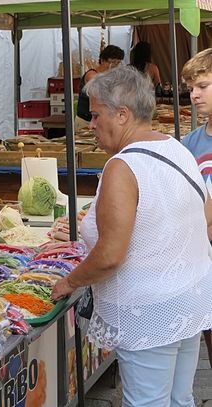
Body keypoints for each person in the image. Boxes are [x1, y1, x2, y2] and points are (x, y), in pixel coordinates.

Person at [52, 66, 212, 406]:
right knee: (178, 399)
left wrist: (70, 282)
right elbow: (207, 215)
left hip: (149, 311)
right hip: (188, 298)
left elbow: (111, 254)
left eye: (95, 115)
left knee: (148, 402)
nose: (91, 125)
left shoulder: (122, 167)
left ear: (122, 114)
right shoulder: (177, 148)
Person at [180, 47, 212, 369]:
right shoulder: (189, 144)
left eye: (202, 86)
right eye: (190, 88)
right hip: (204, 261)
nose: (194, 94)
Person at [75, 45, 125, 130]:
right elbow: (102, 96)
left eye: (118, 63)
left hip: (102, 120)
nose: (114, 66)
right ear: (102, 60)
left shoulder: (111, 76)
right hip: (86, 121)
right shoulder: (92, 75)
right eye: (112, 62)